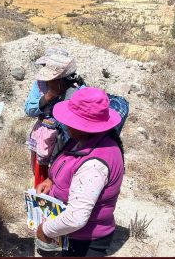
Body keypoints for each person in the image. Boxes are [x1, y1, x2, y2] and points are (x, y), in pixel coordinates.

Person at [35, 87, 125, 257]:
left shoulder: (94, 165)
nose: (67, 123)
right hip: (72, 233)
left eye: (72, 120)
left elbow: (76, 217)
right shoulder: (84, 141)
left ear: (85, 126)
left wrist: (44, 230)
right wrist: (51, 181)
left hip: (83, 241)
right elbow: (70, 166)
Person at [24, 47, 128, 187]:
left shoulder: (78, 91)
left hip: (65, 143)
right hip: (43, 140)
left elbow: (81, 126)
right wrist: (49, 96)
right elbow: (29, 109)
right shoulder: (40, 85)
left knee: (62, 176)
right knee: (42, 178)